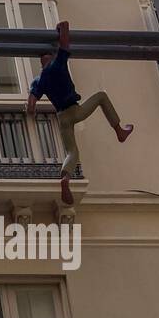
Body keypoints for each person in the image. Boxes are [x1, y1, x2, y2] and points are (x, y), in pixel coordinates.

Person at [27, 19, 134, 205]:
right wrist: (63, 28)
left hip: (62, 117)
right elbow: (66, 44)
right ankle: (119, 130)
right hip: (76, 110)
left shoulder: (38, 81)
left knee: (72, 151)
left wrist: (32, 112)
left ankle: (65, 178)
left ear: (40, 62)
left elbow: (31, 105)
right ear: (51, 56)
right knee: (101, 96)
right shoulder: (57, 64)